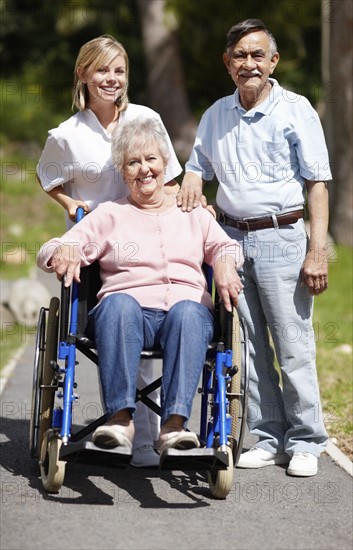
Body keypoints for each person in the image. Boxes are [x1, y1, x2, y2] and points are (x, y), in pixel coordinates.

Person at [177, 19, 332, 477]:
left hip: (283, 237)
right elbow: (195, 168)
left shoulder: (296, 109)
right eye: (240, 56)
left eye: (257, 55)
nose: (249, 64)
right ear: (228, 64)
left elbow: (317, 183)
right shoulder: (216, 114)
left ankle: (306, 440)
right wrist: (190, 178)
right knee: (248, 347)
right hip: (230, 241)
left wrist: (317, 250)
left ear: (273, 61)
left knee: (291, 342)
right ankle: (268, 437)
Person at [37, 117, 244, 457]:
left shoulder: (192, 213)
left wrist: (223, 262)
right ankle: (120, 423)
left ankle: (174, 428)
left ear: (165, 164)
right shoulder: (109, 215)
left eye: (151, 160)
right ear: (122, 171)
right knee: (119, 304)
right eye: (133, 162)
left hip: (184, 316)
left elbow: (226, 247)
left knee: (190, 312)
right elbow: (52, 249)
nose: (144, 170)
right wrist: (66, 249)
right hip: (127, 317)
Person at [36, 35, 182, 467]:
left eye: (119, 71)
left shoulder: (147, 118)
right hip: (93, 243)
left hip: (145, 237)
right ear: (83, 74)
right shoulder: (66, 135)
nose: (112, 79)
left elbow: (167, 176)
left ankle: (144, 438)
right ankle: (121, 427)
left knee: (147, 325)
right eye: (102, 70)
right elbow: (48, 177)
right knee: (117, 330)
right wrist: (69, 204)